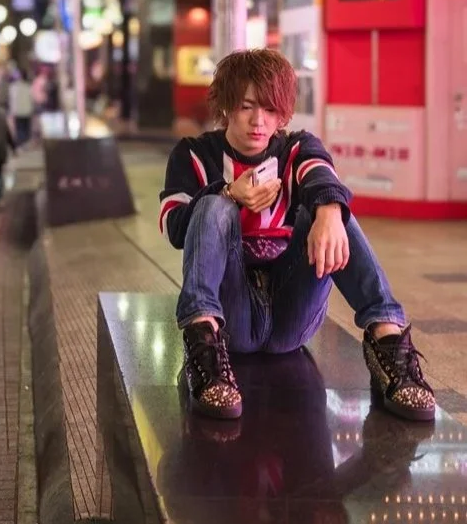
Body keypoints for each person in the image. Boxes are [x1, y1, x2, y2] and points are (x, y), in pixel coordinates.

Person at [160, 48, 435, 423]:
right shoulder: (193, 154)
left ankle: (388, 340)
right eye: (246, 106)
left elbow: (319, 173)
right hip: (231, 317)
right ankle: (202, 348)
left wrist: (328, 211)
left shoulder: (295, 147)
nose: (259, 121)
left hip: (292, 316)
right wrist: (228, 193)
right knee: (213, 204)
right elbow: (174, 227)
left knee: (330, 207)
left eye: (271, 110)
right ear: (226, 106)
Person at [8, 68, 33, 147]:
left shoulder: (13, 87)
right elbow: (31, 99)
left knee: (19, 128)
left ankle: (21, 143)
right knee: (25, 128)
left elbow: (11, 100)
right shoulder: (28, 86)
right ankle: (25, 142)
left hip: (18, 111)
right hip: (26, 111)